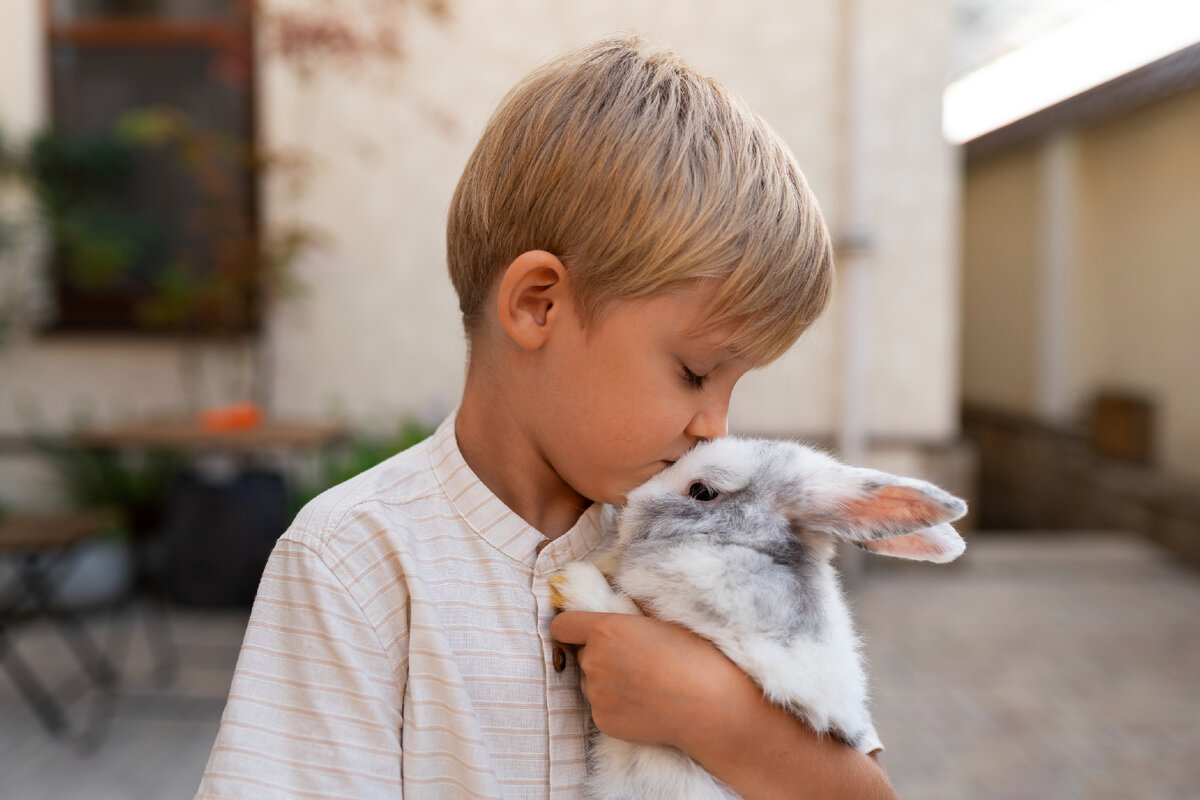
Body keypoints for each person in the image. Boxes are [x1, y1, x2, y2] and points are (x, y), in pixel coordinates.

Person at [196, 35, 898, 799]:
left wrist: (717, 715)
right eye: (696, 372)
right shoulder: (355, 561)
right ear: (539, 305)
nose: (715, 428)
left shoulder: (722, 541)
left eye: (734, 385)